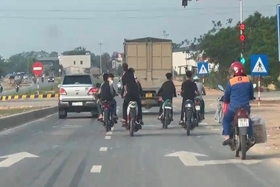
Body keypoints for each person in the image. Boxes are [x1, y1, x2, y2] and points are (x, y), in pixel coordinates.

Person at [222, 61, 255, 146]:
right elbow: (251, 94)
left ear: (234, 71)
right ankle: (251, 137)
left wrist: (225, 100)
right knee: (249, 120)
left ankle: (228, 137)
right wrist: (251, 97)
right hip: (245, 107)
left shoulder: (231, 82)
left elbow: (226, 96)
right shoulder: (248, 80)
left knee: (226, 120)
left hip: (233, 108)